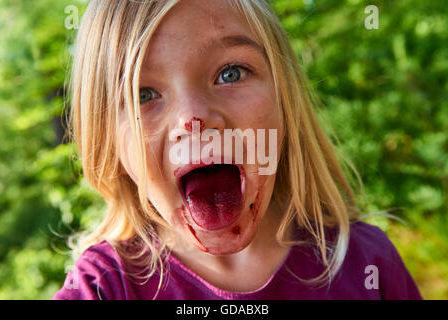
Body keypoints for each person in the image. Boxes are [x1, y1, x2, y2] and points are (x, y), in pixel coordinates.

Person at [54, 0, 422, 300]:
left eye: (230, 73)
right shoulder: (103, 288)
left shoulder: (367, 264)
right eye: (142, 95)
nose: (193, 118)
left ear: (285, 98)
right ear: (109, 142)